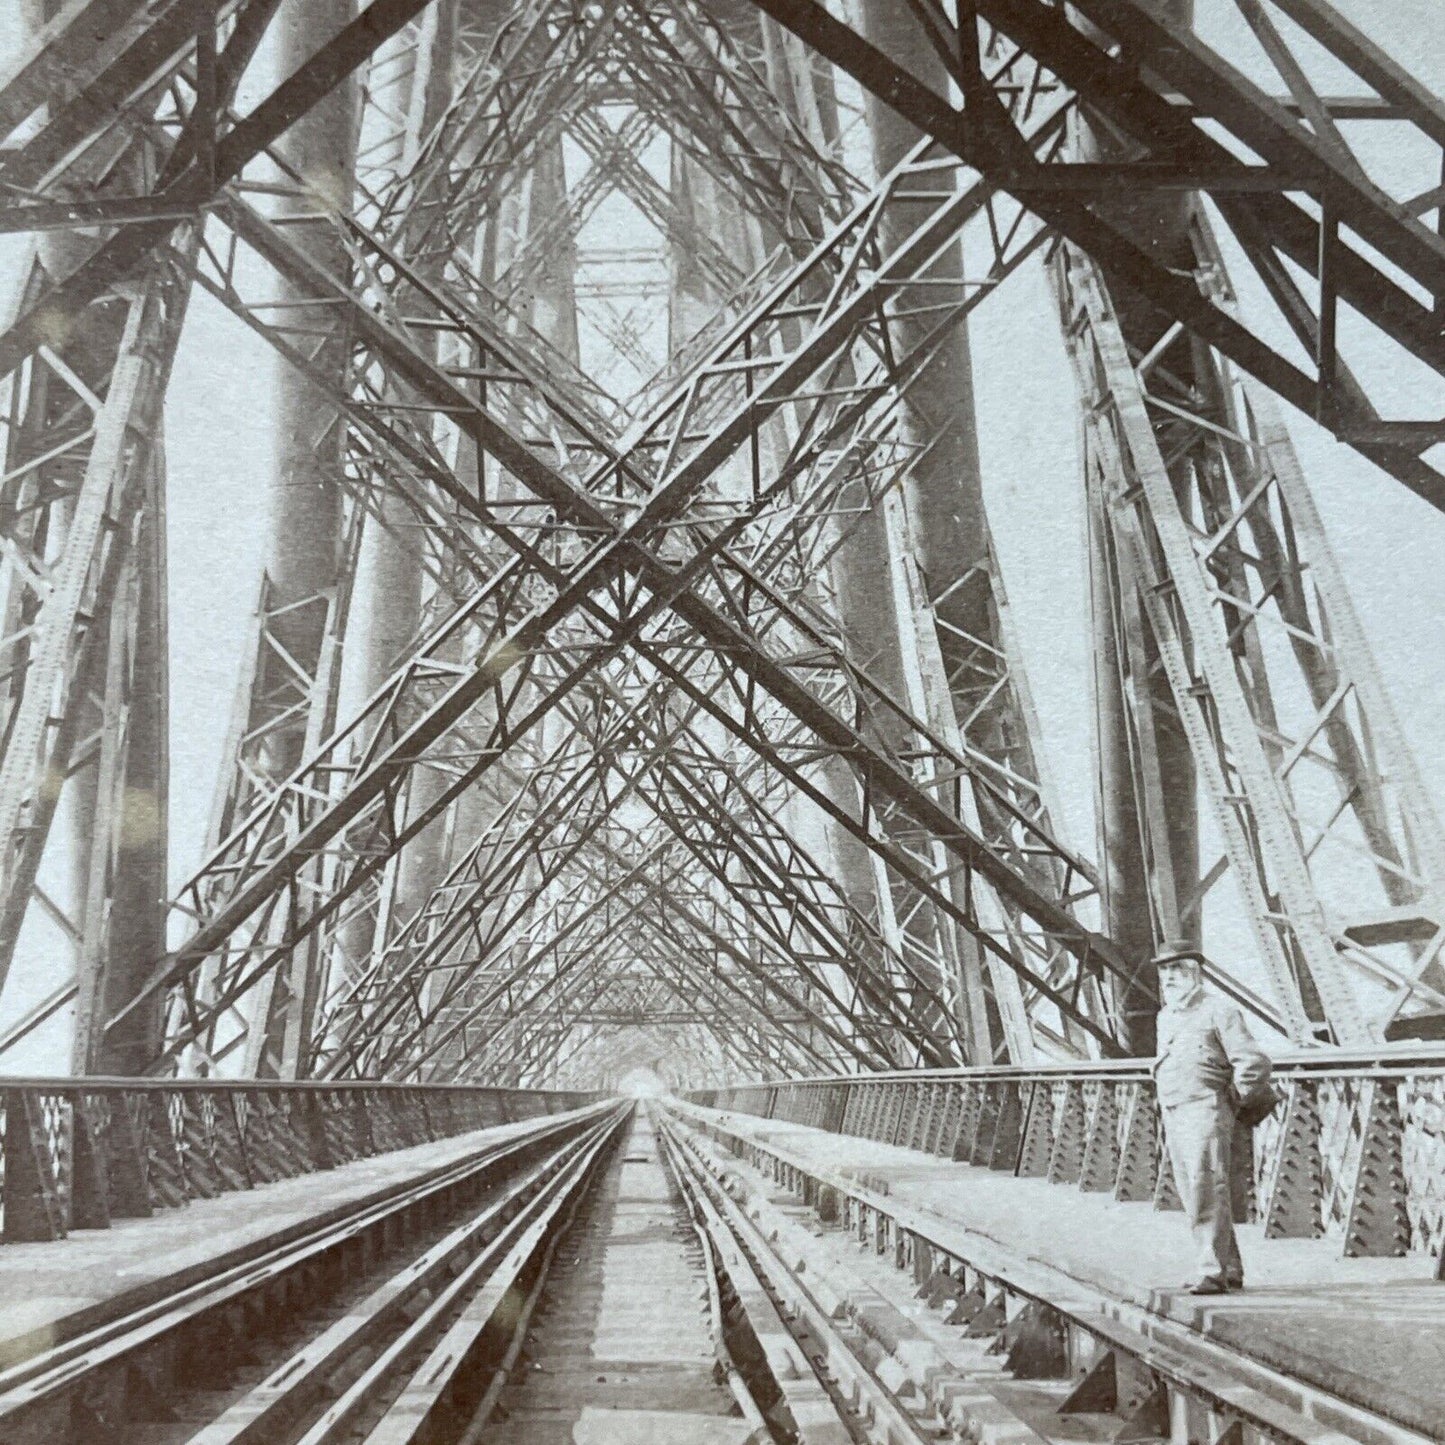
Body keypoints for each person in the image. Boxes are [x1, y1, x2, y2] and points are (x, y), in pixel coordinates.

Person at [1151, 944, 1276, 1295]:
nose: (1170, 976)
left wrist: (1233, 1100)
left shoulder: (1218, 1010)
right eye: (1164, 970)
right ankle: (1229, 1267)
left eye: (1177, 968)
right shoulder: (1167, 1016)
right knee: (1196, 1191)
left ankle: (1212, 1270)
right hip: (1176, 1109)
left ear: (1195, 972)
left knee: (1206, 1188)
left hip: (1205, 1108)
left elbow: (1253, 1062)